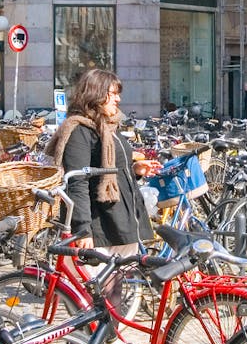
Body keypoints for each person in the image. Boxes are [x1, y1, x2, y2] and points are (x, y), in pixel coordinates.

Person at [45, 69, 161, 260]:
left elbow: (109, 169)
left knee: (114, 288)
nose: (118, 99)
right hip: (101, 228)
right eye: (113, 94)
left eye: (118, 93)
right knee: (93, 288)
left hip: (121, 224)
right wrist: (83, 229)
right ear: (96, 94)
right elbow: (77, 182)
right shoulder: (79, 130)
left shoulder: (109, 127)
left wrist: (135, 171)